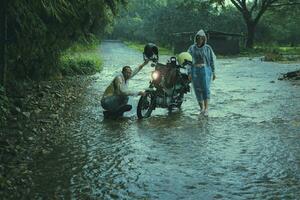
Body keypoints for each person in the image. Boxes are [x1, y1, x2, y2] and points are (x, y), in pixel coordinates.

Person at [187, 29, 216, 116]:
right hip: (195, 71)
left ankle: (206, 109)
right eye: (198, 38)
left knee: (205, 89)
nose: (200, 40)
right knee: (197, 90)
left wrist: (214, 72)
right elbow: (188, 61)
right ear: (196, 39)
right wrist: (189, 73)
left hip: (205, 71)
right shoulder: (191, 48)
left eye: (201, 38)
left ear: (204, 39)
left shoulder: (208, 48)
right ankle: (201, 108)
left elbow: (211, 61)